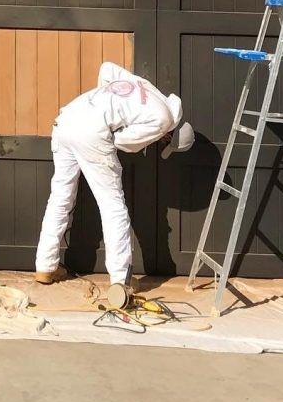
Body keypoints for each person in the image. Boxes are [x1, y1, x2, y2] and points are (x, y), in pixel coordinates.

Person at [34, 61, 194, 303]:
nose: (158, 143)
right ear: (170, 135)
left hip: (67, 118)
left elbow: (106, 68)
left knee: (60, 197)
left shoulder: (147, 88)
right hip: (91, 131)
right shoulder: (162, 121)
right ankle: (121, 281)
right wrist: (102, 128)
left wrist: (101, 108)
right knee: (113, 207)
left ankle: (45, 266)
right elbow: (124, 143)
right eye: (163, 143)